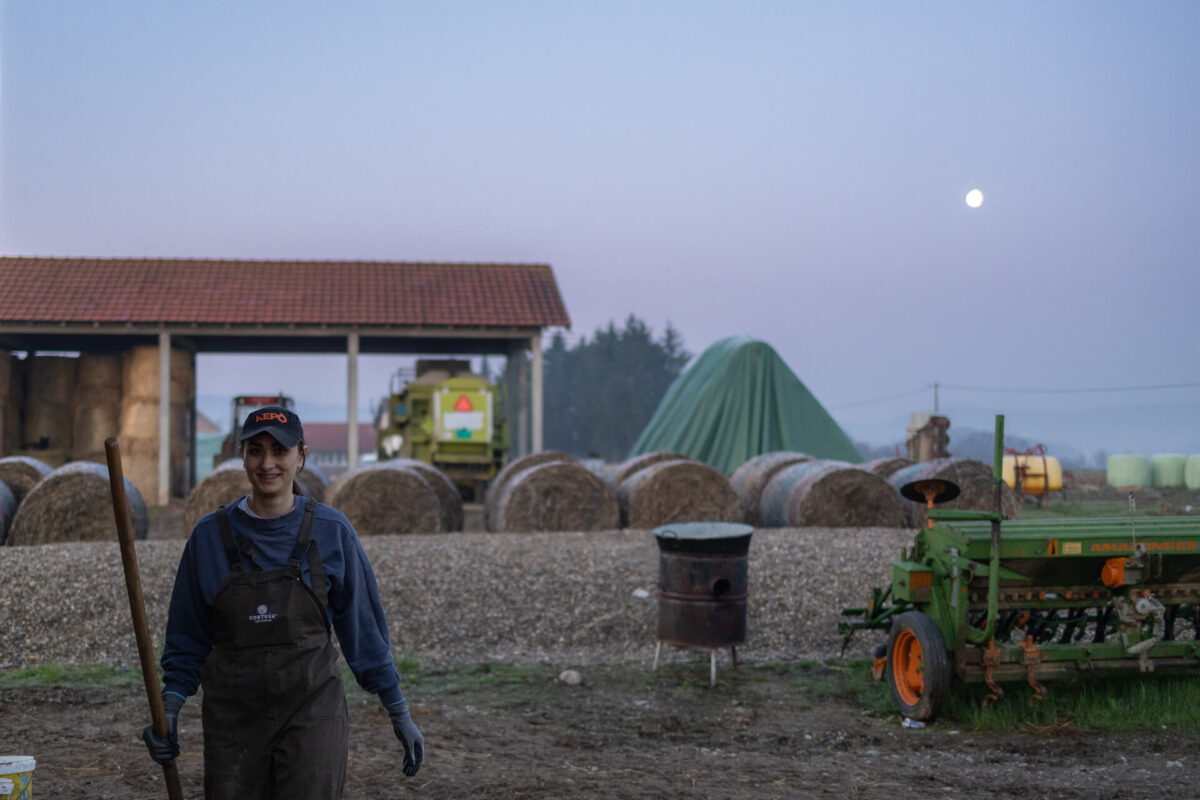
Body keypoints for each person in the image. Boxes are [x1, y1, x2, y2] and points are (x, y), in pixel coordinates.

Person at [142, 405, 424, 798]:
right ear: (242, 457)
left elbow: (362, 628)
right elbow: (187, 636)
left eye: (280, 450)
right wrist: (169, 709)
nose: (267, 463)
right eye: (255, 450)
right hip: (233, 717)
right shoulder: (208, 538)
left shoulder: (331, 532)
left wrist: (398, 711)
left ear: (301, 457)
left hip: (312, 711)